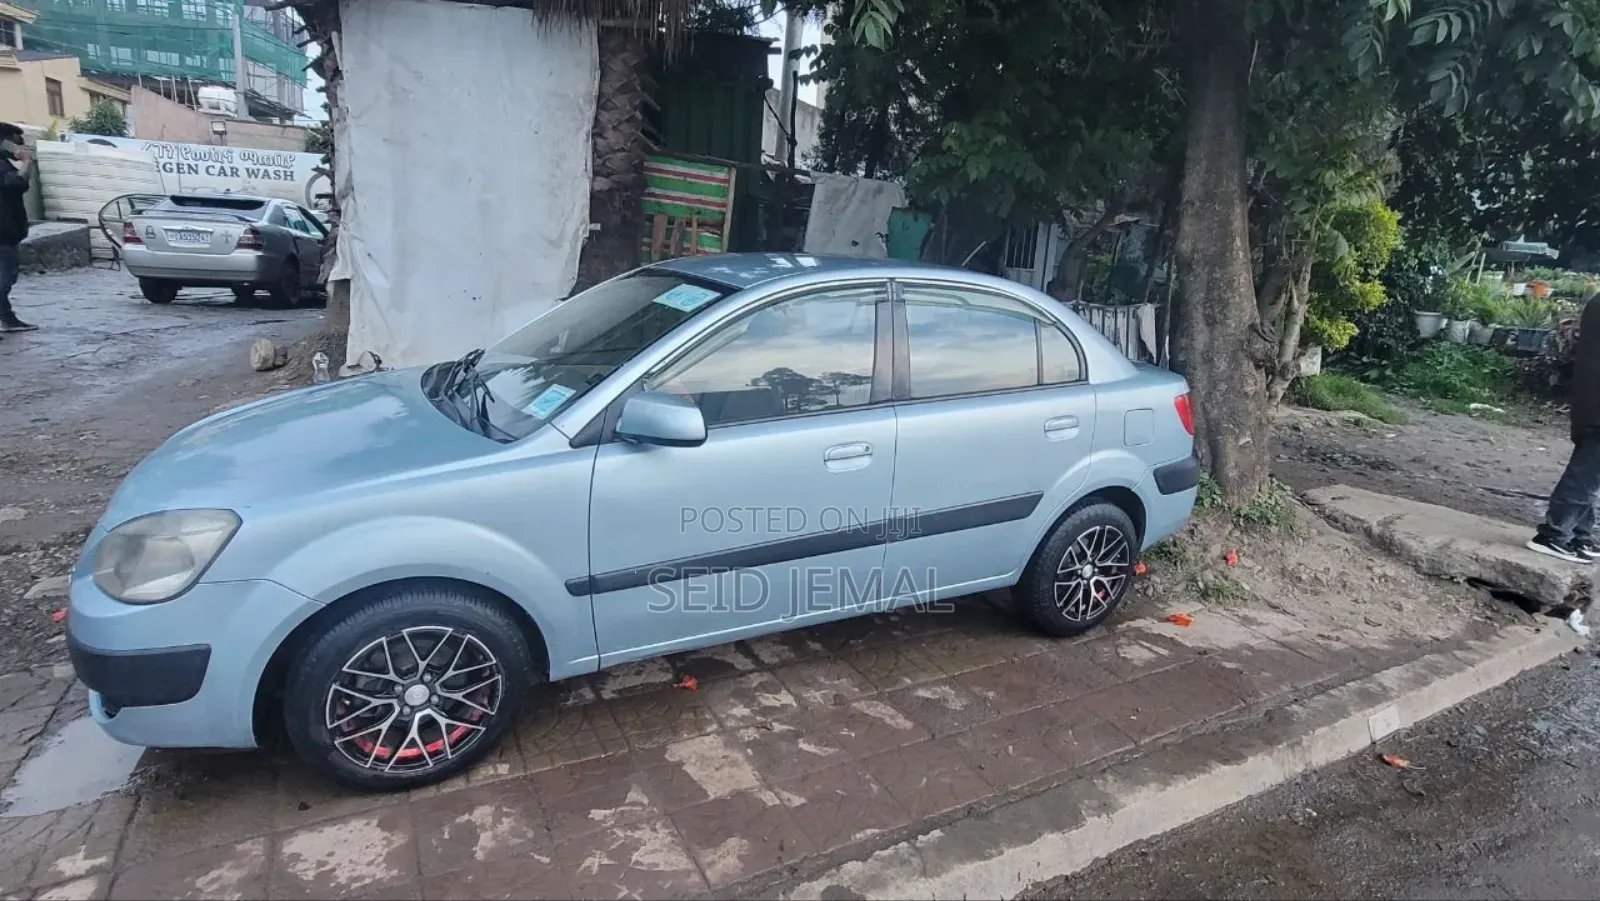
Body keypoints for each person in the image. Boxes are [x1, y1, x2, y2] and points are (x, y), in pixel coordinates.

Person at [1528, 287, 1600, 562]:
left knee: (1589, 473)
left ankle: (1579, 534)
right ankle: (1554, 534)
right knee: (1586, 476)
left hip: (1591, 403)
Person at [0, 122, 38, 334]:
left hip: (6, 233)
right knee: (4, 278)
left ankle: (8, 319)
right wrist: (26, 162)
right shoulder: (2, 165)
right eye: (16, 141)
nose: (20, 146)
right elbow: (15, 185)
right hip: (3, 234)